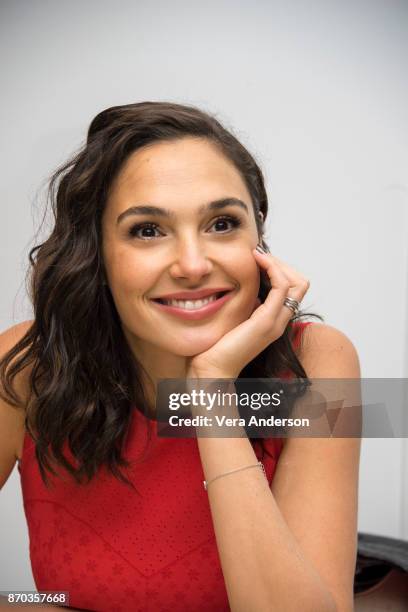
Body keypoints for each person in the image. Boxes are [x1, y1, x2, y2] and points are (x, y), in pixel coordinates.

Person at [0, 102, 361, 611]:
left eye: (221, 223)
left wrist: (212, 390)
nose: (193, 264)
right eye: (147, 230)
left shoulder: (317, 364)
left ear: (258, 239)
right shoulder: (27, 368)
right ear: (96, 253)